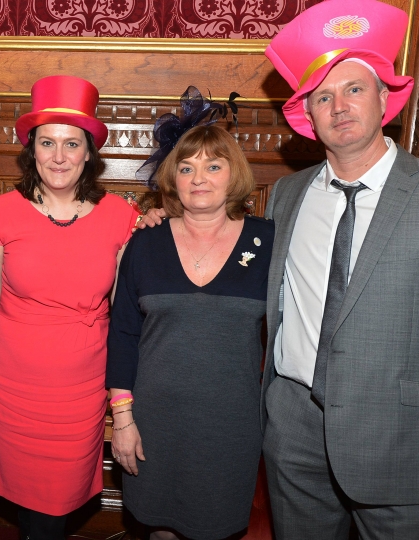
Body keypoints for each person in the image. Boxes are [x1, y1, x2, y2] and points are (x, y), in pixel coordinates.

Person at [260, 1, 419, 537]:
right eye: (322, 97)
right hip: (295, 436)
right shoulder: (285, 195)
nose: (339, 106)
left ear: (385, 97)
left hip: (403, 446)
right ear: (306, 115)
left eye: (354, 89)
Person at [0, 75, 140, 540]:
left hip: (80, 388)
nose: (59, 156)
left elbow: (124, 313)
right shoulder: (0, 214)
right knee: (33, 509)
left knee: (57, 501)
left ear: (89, 152)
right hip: (12, 384)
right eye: (47, 143)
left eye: (72, 144)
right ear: (32, 150)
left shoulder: (121, 218)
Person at [107, 120, 274, 540]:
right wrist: (122, 419)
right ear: (172, 179)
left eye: (214, 166)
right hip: (153, 424)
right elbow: (123, 334)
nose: (199, 178)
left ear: (233, 175)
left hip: (230, 426)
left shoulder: (269, 240)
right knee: (159, 529)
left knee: (216, 529)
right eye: (186, 168)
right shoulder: (145, 241)